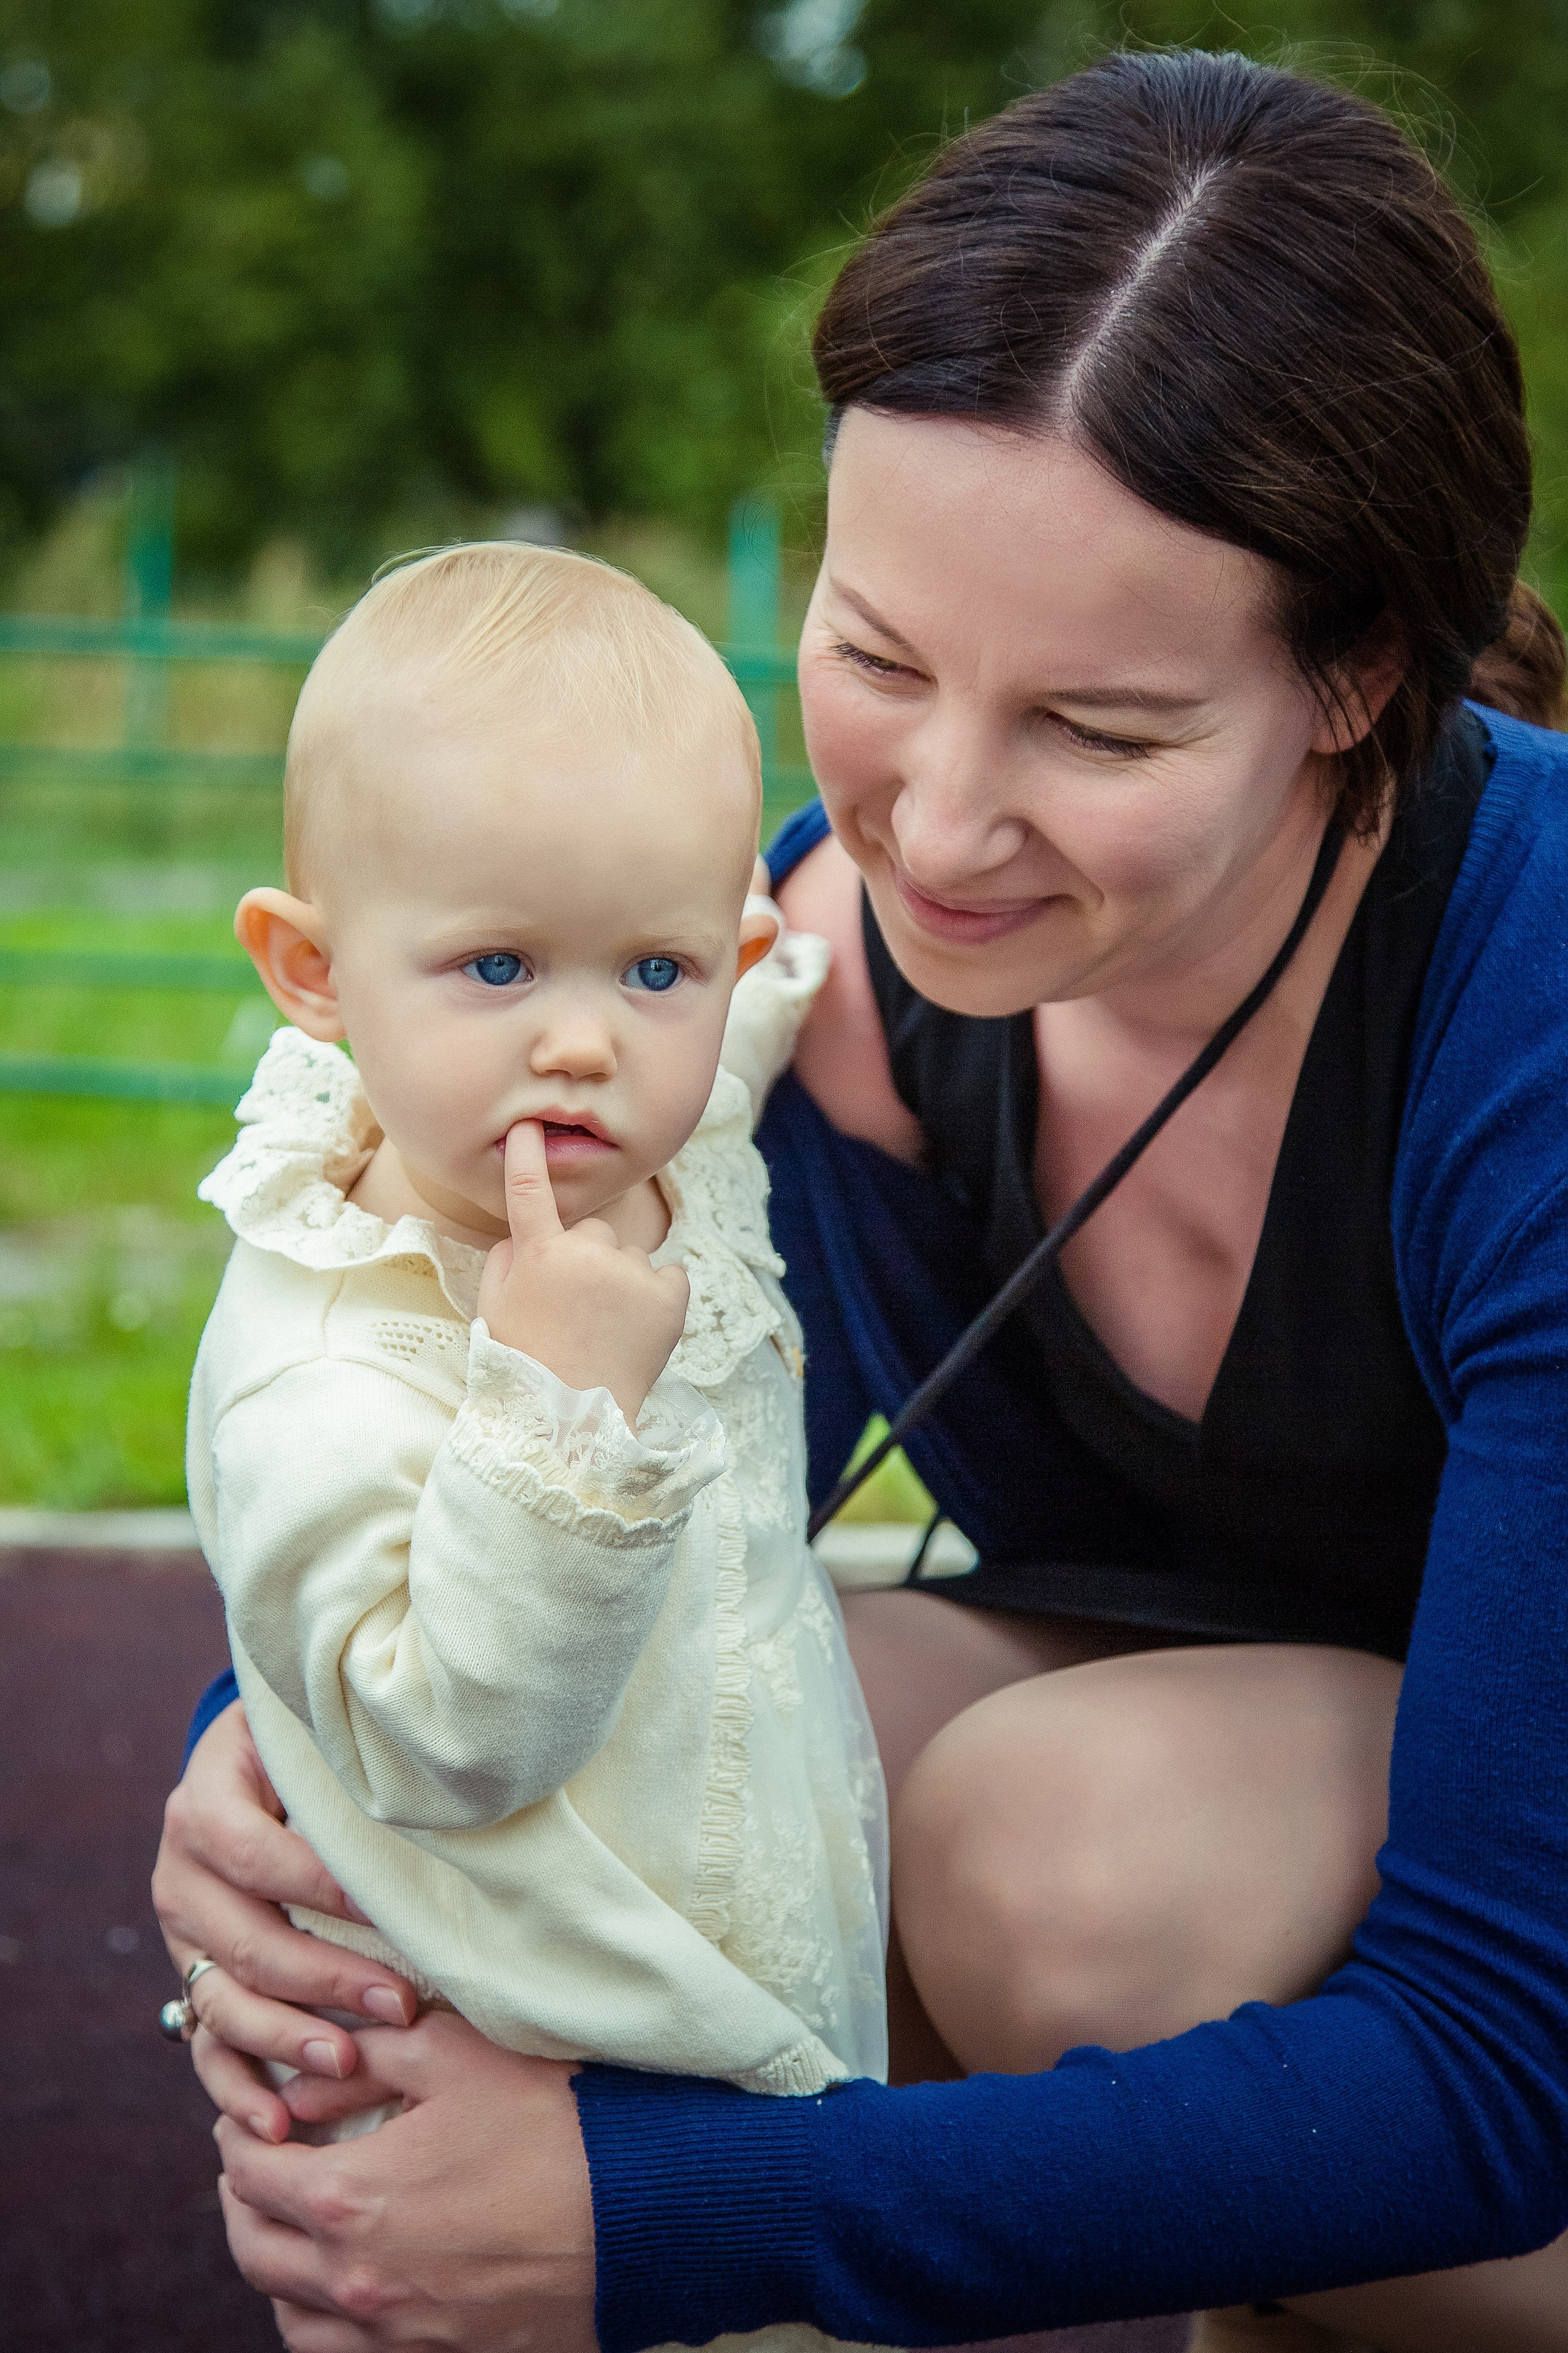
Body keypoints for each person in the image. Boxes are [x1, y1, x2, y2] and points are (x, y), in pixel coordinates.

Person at [154, 49, 1568, 2353]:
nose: (936, 823)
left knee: (1056, 1861)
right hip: (1283, 1742)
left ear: (1356, 679)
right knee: (650, 1780)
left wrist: (669, 2216)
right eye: (880, 658)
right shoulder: (799, 994)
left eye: (1099, 730)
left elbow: (1509, 2054)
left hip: (1520, 1941)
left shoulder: (1538, 1021)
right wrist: (281, 1740)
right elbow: (619, 1508)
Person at [176, 537, 889, 2283]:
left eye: (651, 971)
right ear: (313, 971)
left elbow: (733, 1033)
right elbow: (437, 1736)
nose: (584, 1042)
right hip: (513, 2031)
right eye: (497, 968)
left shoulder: (676, 1127)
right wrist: (553, 1415)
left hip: (746, 1950)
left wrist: (774, 980)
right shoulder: (321, 1361)